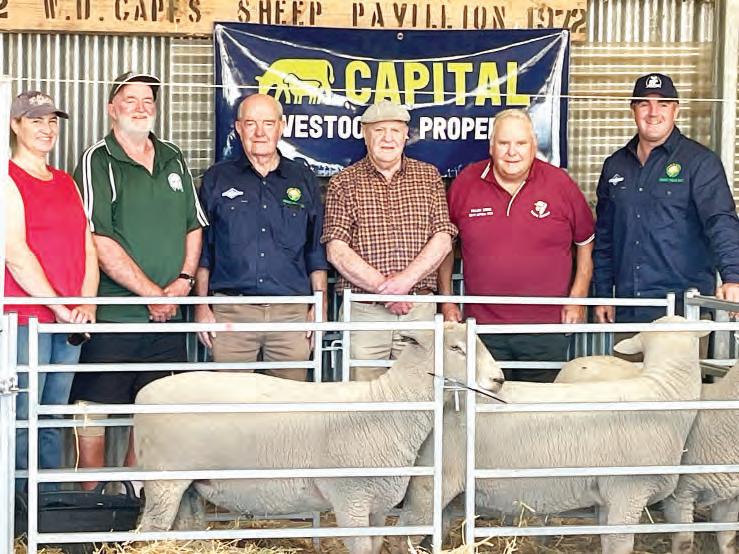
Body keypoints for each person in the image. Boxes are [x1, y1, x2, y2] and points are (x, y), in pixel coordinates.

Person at [70, 72, 208, 488]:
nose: (141, 107)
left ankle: (133, 502)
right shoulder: (97, 159)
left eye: (148, 100)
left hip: (168, 319)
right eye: (130, 99)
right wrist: (151, 293)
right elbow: (97, 238)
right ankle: (91, 503)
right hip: (115, 317)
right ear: (111, 109)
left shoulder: (173, 156)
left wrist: (183, 281)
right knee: (92, 414)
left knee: (153, 418)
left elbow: (194, 224)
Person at [439, 109, 595, 382]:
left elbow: (585, 242)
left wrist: (578, 296)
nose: (512, 152)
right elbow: (444, 246)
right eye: (504, 143)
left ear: (534, 145)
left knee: (539, 404)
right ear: (491, 146)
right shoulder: (465, 183)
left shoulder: (560, 184)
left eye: (521, 143)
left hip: (546, 328)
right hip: (483, 329)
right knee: (487, 403)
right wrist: (447, 299)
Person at [593, 73, 739, 341]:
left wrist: (733, 276)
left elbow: (720, 221)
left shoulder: (699, 162)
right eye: (644, 104)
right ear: (633, 110)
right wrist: (602, 294)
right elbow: (604, 238)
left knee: (677, 372)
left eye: (663, 104)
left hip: (682, 314)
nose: (653, 112)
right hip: (627, 312)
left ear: (676, 110)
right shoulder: (615, 165)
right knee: (622, 370)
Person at [194, 94, 328, 380]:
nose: (259, 132)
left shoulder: (302, 178)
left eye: (268, 123)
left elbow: (315, 251)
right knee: (231, 401)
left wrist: (320, 307)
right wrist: (201, 307)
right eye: (251, 123)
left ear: (281, 126)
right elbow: (203, 250)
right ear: (238, 127)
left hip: (291, 315)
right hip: (231, 313)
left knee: (289, 402)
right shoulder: (217, 178)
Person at [322, 101, 457, 380]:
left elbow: (443, 238)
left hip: (418, 308)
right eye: (379, 130)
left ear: (406, 134)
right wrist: (387, 291)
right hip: (365, 311)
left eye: (395, 130)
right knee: (363, 394)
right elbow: (336, 249)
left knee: (418, 392)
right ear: (364, 134)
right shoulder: (343, 182)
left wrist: (404, 283)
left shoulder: (429, 176)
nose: (388, 138)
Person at [4, 91, 99, 484]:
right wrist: (61, 307)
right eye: (36, 120)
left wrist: (87, 304)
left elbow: (87, 245)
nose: (47, 129)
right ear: (15, 125)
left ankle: (49, 501)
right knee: (22, 415)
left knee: (53, 414)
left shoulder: (66, 182)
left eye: (52, 121)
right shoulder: (7, 179)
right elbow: (14, 253)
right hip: (27, 318)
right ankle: (18, 506)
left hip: (68, 320)